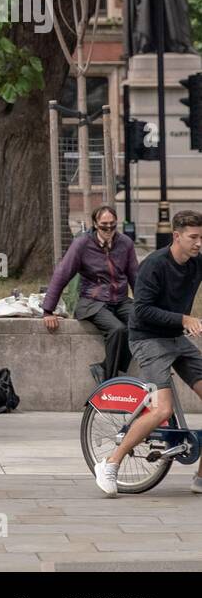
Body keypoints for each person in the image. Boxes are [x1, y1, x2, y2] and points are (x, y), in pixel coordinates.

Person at [93, 210, 202, 497]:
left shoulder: (196, 263)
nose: (199, 243)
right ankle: (110, 463)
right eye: (193, 237)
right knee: (162, 409)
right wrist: (183, 319)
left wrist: (181, 324)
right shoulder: (154, 265)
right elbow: (141, 310)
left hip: (175, 339)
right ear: (176, 236)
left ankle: (201, 477)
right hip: (147, 339)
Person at [41, 205, 138, 385]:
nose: (109, 229)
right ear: (95, 224)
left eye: (112, 225)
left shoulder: (125, 243)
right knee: (117, 329)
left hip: (120, 300)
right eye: (104, 225)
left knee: (139, 323)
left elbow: (135, 276)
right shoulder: (82, 244)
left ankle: (105, 368)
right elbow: (62, 274)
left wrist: (144, 306)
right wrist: (48, 310)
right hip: (92, 301)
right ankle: (110, 384)